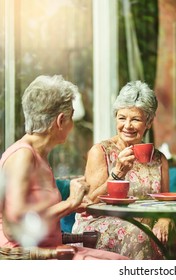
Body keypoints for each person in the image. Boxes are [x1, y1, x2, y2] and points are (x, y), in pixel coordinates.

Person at [0, 75, 127, 260]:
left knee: (122, 262)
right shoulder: (22, 156)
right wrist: (69, 203)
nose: (72, 124)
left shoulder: (38, 155)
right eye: (72, 116)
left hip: (51, 249)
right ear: (60, 121)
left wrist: (71, 207)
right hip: (28, 257)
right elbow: (14, 227)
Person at [72, 80, 171, 259]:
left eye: (135, 119)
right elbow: (89, 203)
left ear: (148, 122)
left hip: (142, 227)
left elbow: (166, 203)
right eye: (122, 117)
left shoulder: (159, 159)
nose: (127, 125)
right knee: (138, 234)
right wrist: (117, 173)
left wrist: (164, 219)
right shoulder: (100, 151)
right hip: (99, 225)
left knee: (163, 236)